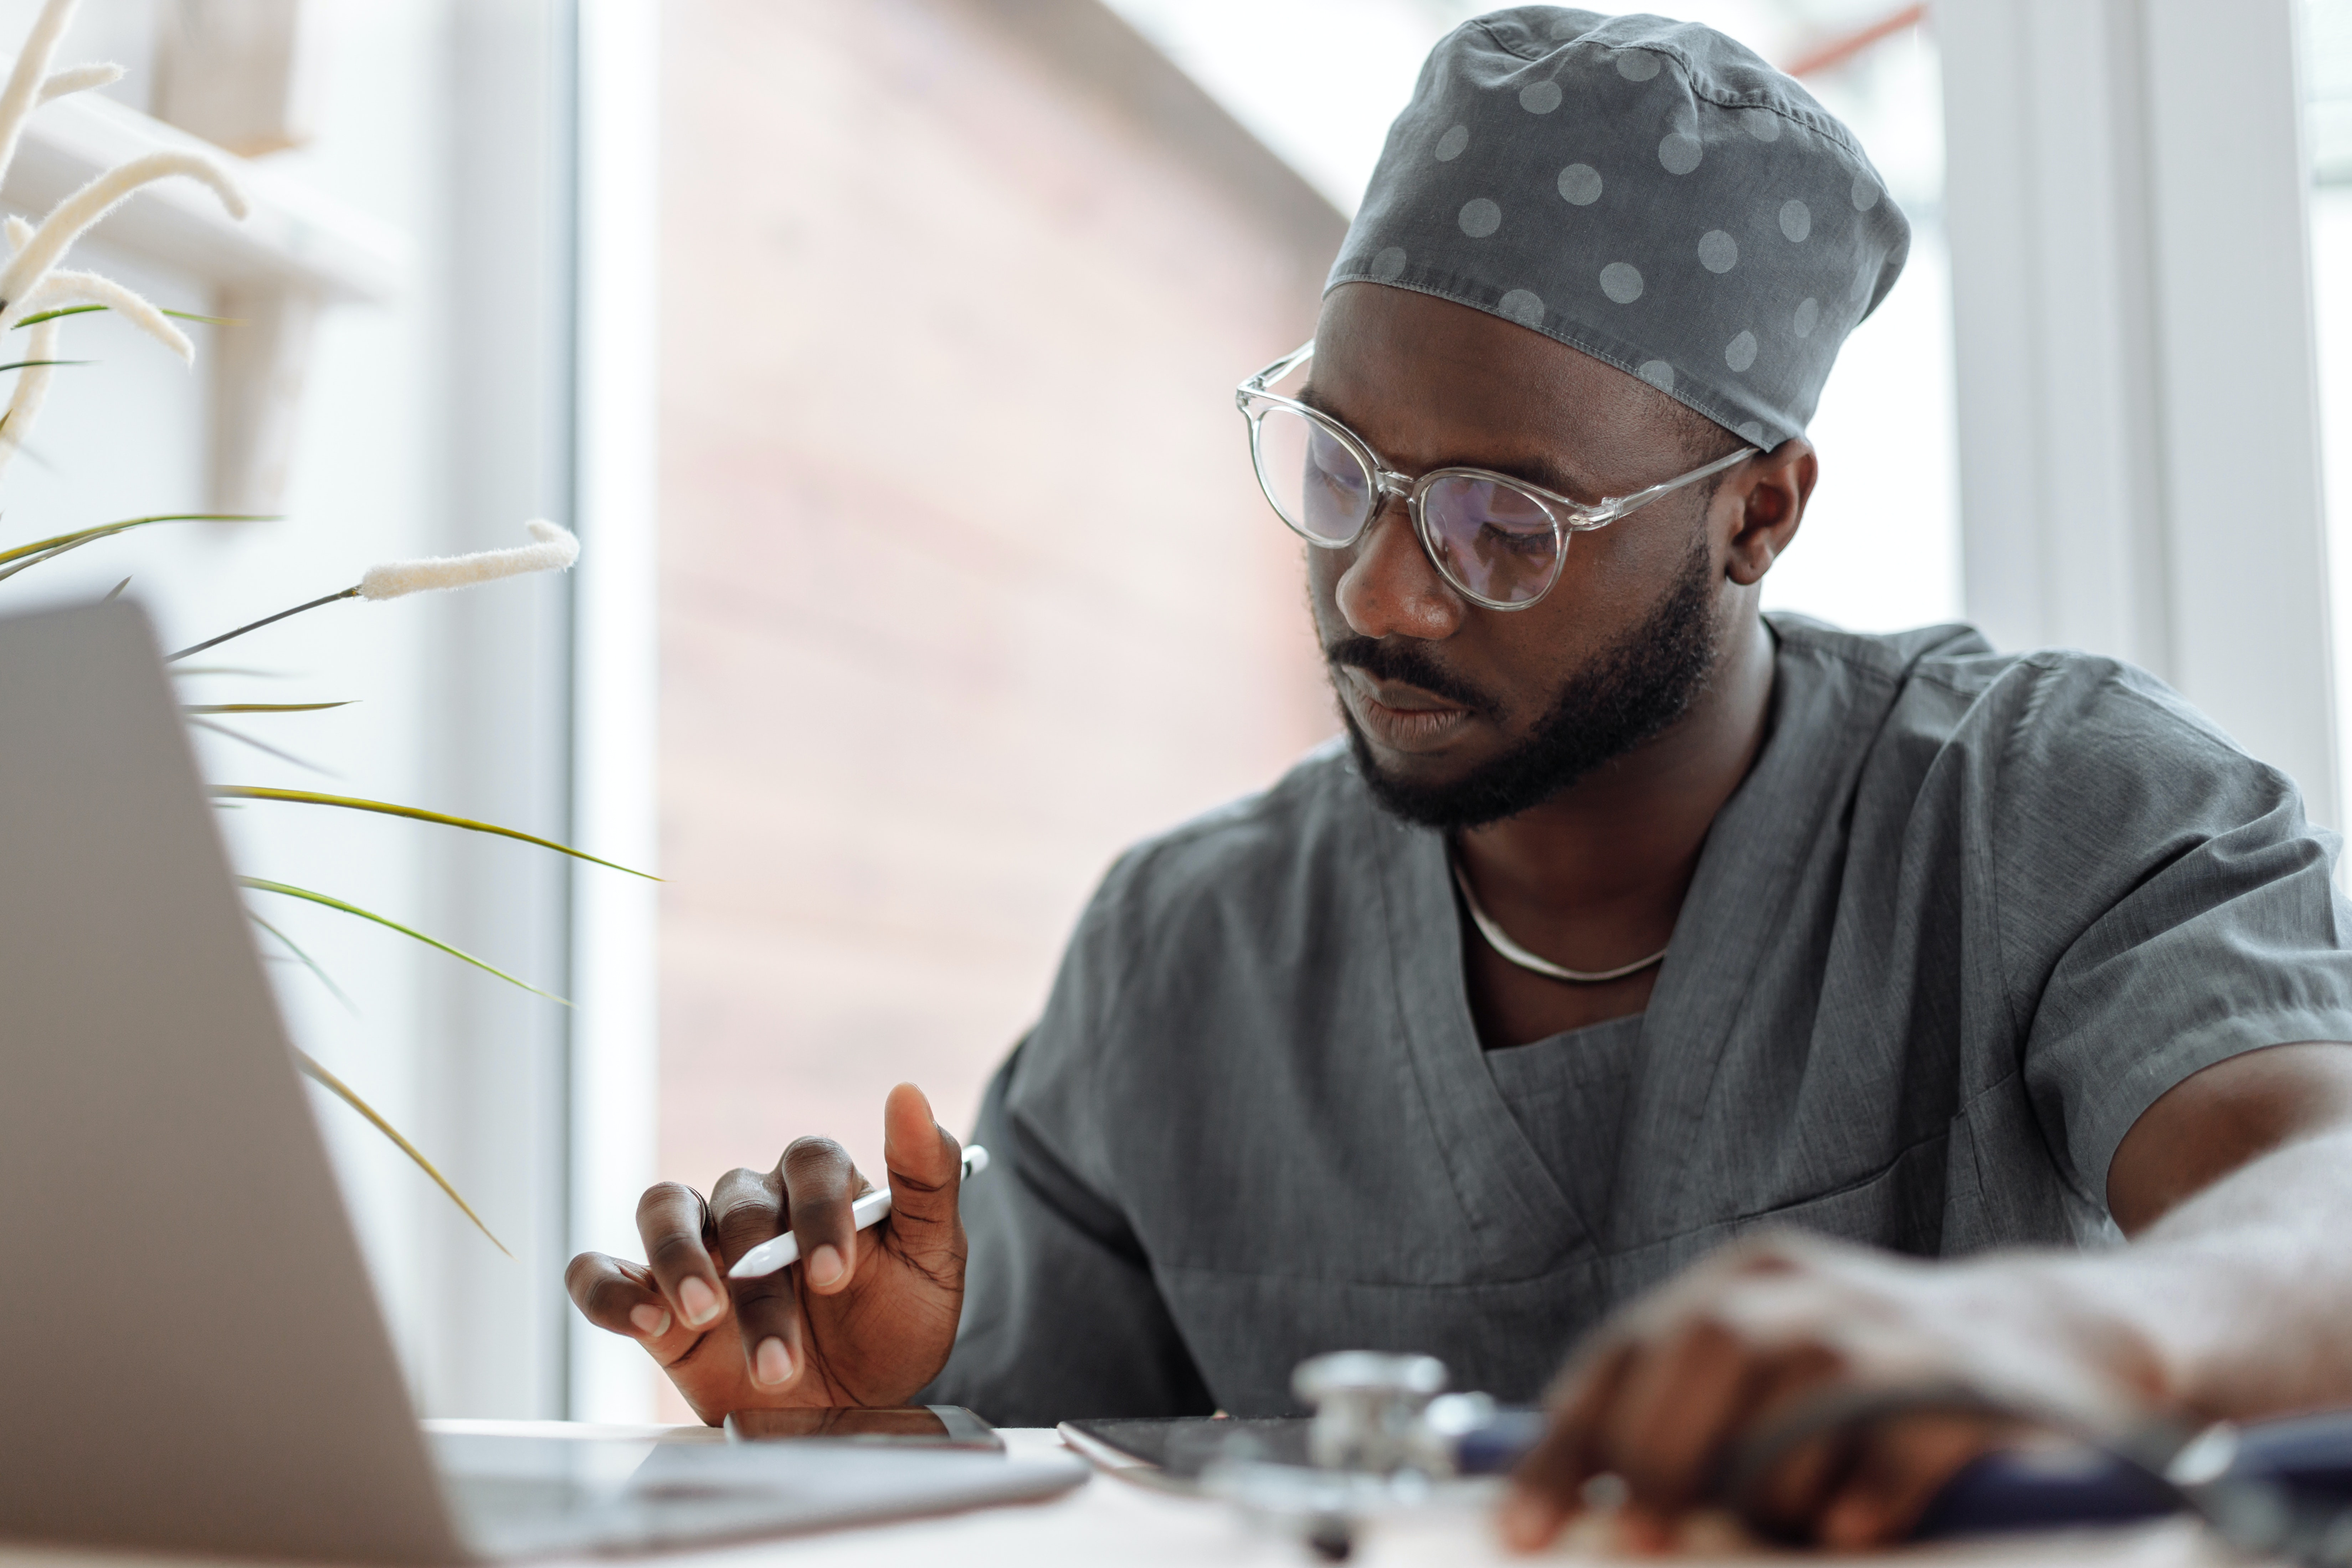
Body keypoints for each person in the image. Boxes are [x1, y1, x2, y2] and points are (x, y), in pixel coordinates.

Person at [567, 6, 2352, 1550]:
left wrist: (2082, 1340)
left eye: (1508, 522)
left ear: (1759, 513)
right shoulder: (1192, 956)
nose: (1381, 591)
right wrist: (873, 1409)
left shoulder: (2052, 810)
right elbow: (1042, 1471)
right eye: (1341, 468)